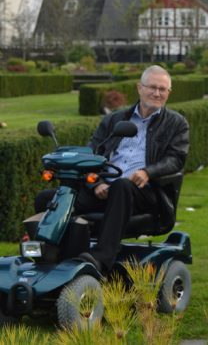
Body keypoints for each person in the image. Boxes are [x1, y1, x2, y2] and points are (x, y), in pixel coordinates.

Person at [41, 66, 190, 275]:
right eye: (152, 87)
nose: (157, 93)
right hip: (107, 187)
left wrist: (148, 172)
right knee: (51, 197)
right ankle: (49, 252)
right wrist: (96, 183)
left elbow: (176, 159)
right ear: (140, 88)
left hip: (146, 191)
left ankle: (101, 259)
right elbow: (92, 154)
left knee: (122, 185)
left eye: (163, 89)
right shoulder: (114, 120)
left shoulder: (176, 123)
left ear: (169, 93)